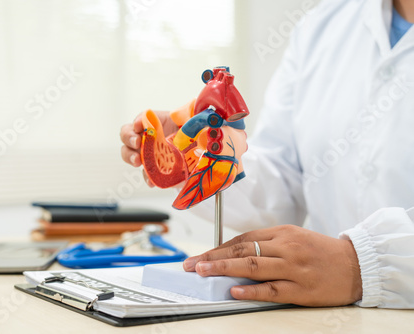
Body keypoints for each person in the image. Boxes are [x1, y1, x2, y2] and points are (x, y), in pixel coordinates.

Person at [120, 0, 414, 308]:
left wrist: (360, 265)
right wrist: (194, 155)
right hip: (328, 317)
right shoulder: (323, 24)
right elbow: (283, 180)